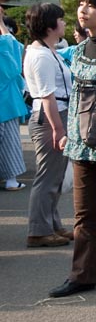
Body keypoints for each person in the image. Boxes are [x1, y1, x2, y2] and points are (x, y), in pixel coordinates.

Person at [49, 0, 96, 297]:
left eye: (91, 6)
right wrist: (65, 132)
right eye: (81, 4)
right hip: (80, 143)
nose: (83, 10)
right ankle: (82, 275)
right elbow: (76, 99)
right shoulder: (78, 50)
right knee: (84, 215)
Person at [23, 2, 73, 248]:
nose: (64, 23)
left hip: (54, 115)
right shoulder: (41, 55)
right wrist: (58, 129)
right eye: (61, 20)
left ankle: (51, 225)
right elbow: (47, 96)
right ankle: (39, 230)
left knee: (54, 175)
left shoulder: (47, 50)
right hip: (50, 118)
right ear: (50, 25)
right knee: (48, 177)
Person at [0, 10, 28, 192]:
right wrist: (1, 24)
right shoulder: (4, 46)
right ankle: (11, 180)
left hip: (7, 101)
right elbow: (14, 56)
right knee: (9, 143)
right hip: (6, 103)